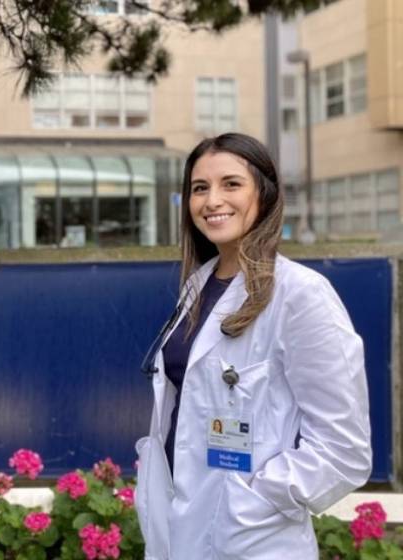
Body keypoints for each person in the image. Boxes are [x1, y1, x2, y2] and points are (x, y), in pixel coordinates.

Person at [134, 133, 371, 559]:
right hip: (177, 531)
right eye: (199, 188)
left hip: (252, 542)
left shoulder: (301, 294)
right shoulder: (197, 286)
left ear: (264, 193)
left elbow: (344, 450)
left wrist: (253, 501)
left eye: (231, 184)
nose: (212, 201)